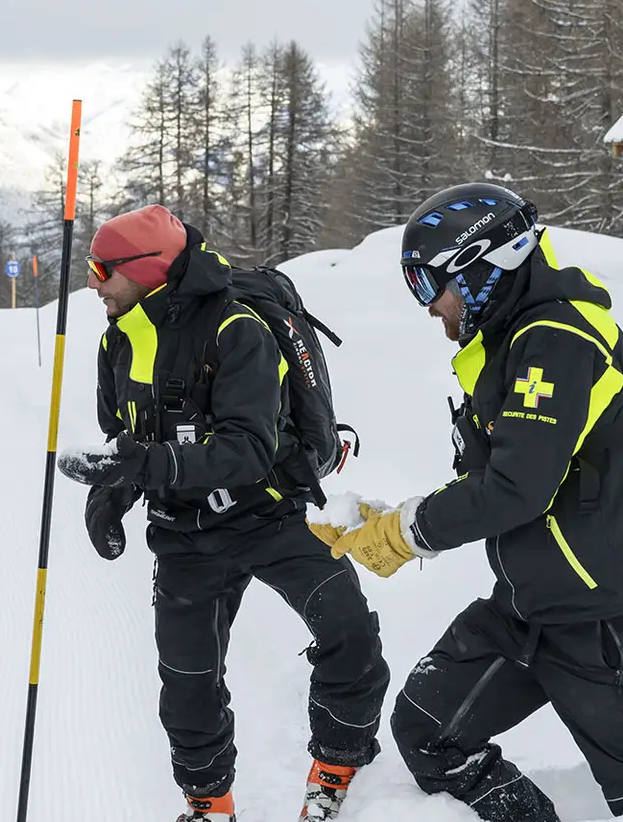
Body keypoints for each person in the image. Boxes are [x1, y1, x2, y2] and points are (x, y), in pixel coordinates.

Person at [313, 183, 623, 822]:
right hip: (527, 609)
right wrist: (392, 520)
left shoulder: (560, 339)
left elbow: (518, 489)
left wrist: (407, 532)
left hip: (606, 618)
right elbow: (500, 481)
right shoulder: (511, 344)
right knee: (428, 730)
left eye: (428, 286)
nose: (428, 308)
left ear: (480, 268)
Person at [57, 205, 389, 822]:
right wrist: (113, 494)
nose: (92, 282)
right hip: (184, 534)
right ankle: (209, 803)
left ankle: (337, 767)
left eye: (102, 269)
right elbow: (127, 435)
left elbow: (248, 450)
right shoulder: (117, 338)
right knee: (187, 685)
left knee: (350, 634)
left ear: (148, 270)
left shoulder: (236, 331)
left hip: (272, 515)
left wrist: (140, 467)